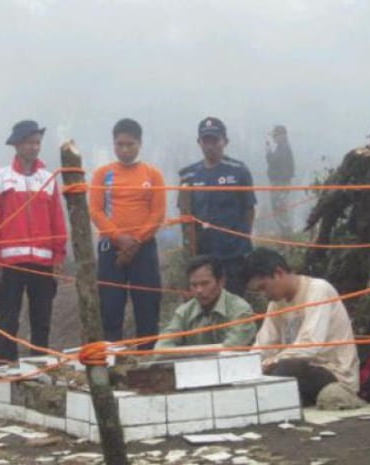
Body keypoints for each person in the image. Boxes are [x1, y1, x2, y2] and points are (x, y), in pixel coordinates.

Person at [0, 120, 67, 363]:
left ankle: (39, 365)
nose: (34, 147)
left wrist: (58, 255)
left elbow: (57, 219)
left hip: (43, 262)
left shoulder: (48, 178)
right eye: (29, 142)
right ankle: (3, 366)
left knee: (42, 318)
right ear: (17, 145)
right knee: (8, 318)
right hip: (9, 263)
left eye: (37, 142)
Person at [243, 247, 360, 405]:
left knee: (284, 370)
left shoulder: (318, 289)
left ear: (278, 273)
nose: (264, 294)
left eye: (263, 287)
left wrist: (270, 363)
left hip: (334, 373)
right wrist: (246, 366)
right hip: (300, 369)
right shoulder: (276, 304)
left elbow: (309, 345)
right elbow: (263, 346)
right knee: (261, 375)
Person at [90, 118, 166, 349]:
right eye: (119, 144)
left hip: (144, 249)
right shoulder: (103, 174)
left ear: (139, 144)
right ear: (113, 144)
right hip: (111, 249)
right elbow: (95, 210)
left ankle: (147, 358)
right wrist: (117, 237)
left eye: (129, 144)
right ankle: (114, 359)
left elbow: (157, 213)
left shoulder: (152, 175)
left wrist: (135, 242)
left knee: (147, 304)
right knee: (111, 306)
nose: (124, 149)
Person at [179, 117, 256, 297]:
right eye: (206, 141)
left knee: (234, 301)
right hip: (203, 255)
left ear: (225, 142)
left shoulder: (238, 170)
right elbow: (185, 216)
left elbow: (249, 208)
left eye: (215, 140)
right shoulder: (188, 175)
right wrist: (191, 254)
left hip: (234, 254)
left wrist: (242, 240)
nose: (210, 145)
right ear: (199, 143)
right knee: (206, 301)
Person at [155, 255, 257, 350]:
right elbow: (162, 347)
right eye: (194, 285)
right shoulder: (184, 312)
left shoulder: (240, 310)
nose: (199, 290)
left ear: (221, 281)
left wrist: (185, 353)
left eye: (205, 284)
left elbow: (231, 349)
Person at [266, 125, 295, 237]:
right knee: (278, 208)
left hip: (280, 183)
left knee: (279, 208)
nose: (273, 137)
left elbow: (275, 161)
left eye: (275, 135)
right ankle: (285, 233)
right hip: (280, 182)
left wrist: (268, 152)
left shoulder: (283, 148)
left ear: (282, 135)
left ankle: (286, 234)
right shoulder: (282, 147)